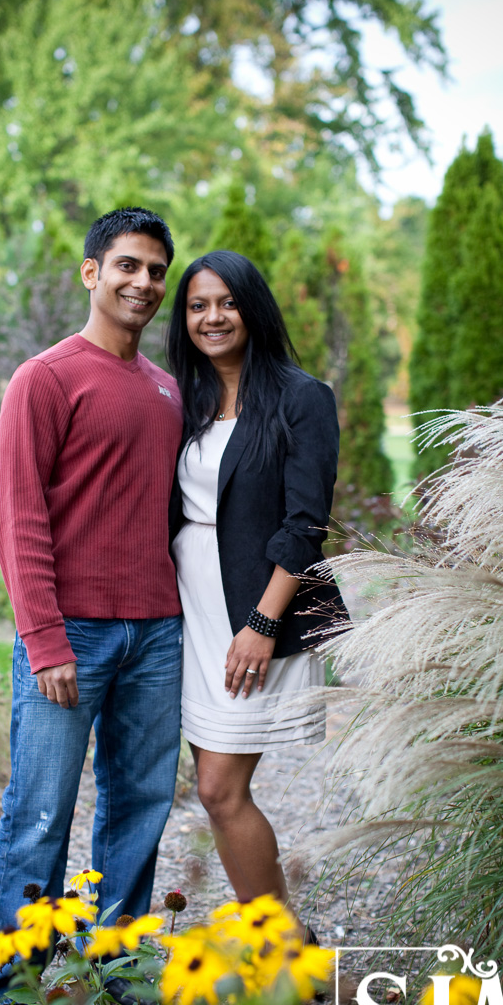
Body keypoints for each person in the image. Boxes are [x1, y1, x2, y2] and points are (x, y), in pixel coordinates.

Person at [0, 207, 183, 1005]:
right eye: (129, 265)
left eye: (157, 271)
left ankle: (121, 984)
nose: (145, 283)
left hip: (157, 636)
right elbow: (20, 519)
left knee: (139, 811)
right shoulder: (46, 378)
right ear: (91, 273)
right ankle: (8, 1003)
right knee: (37, 818)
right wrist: (45, 640)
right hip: (72, 637)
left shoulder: (168, 390)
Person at [166, 250, 346, 926]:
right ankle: (288, 952)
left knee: (219, 788)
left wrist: (263, 624)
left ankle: (283, 951)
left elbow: (306, 523)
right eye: (197, 305)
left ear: (253, 307)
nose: (213, 317)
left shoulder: (302, 397)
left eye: (227, 302)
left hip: (257, 608)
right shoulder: (185, 399)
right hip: (192, 609)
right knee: (215, 793)